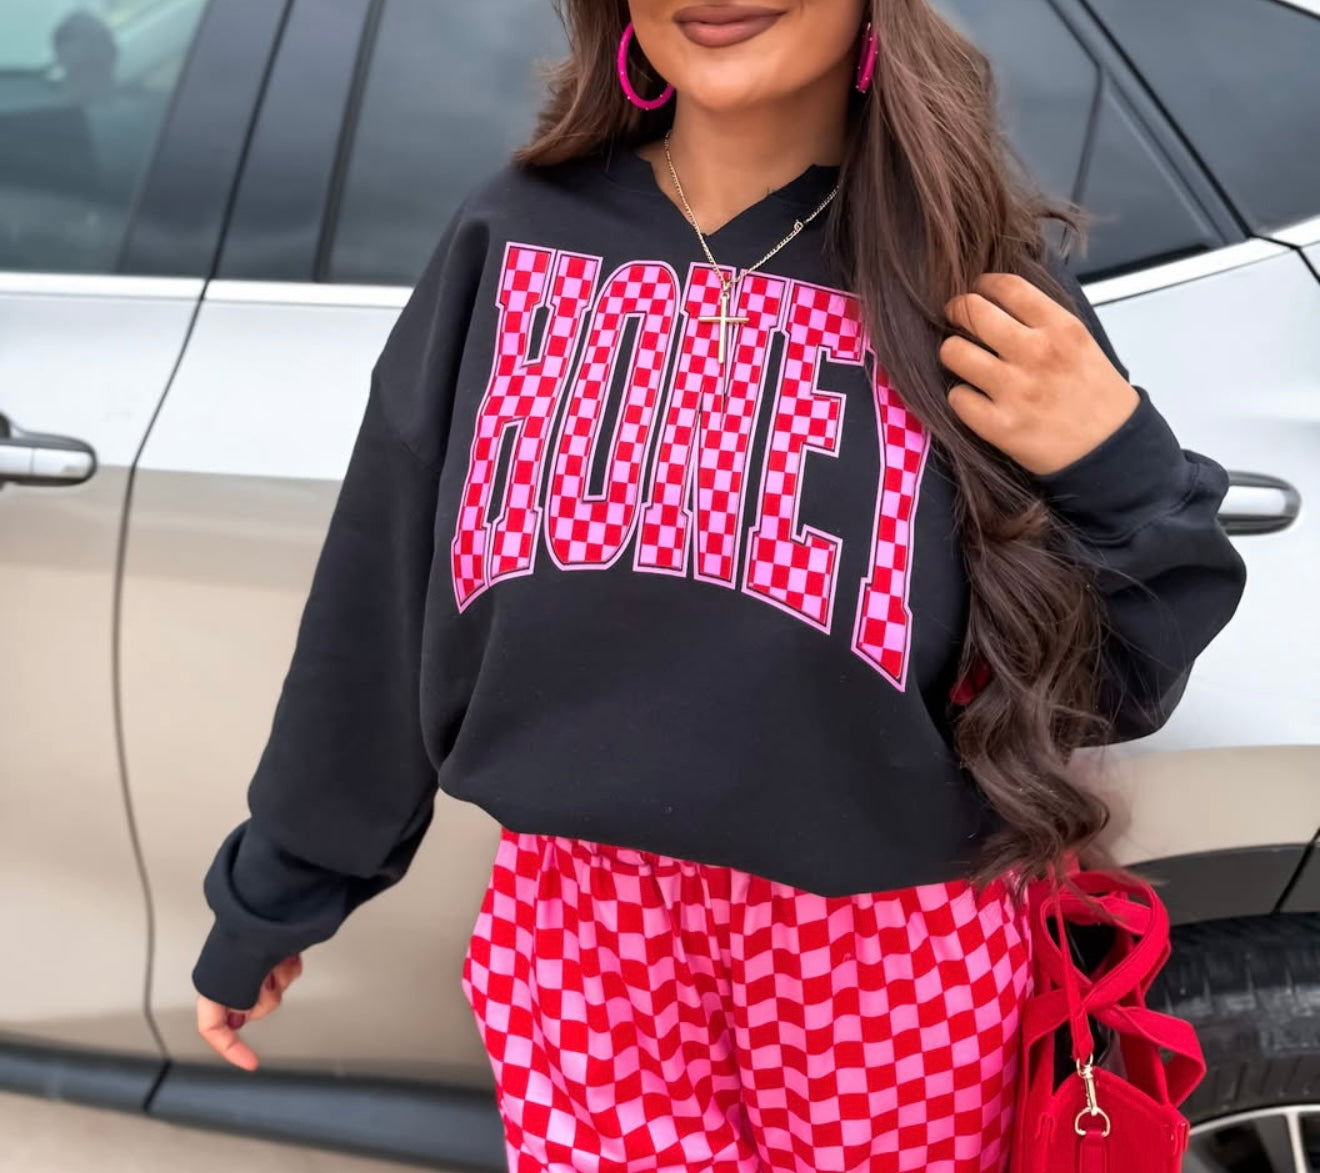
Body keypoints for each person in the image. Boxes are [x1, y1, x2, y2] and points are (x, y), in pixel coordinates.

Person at [192, 3, 1247, 1170]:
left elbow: (1121, 680)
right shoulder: (516, 234)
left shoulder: (964, 275)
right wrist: (281, 889)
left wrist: (1116, 460)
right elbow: (383, 582)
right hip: (581, 936)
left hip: (889, 953)